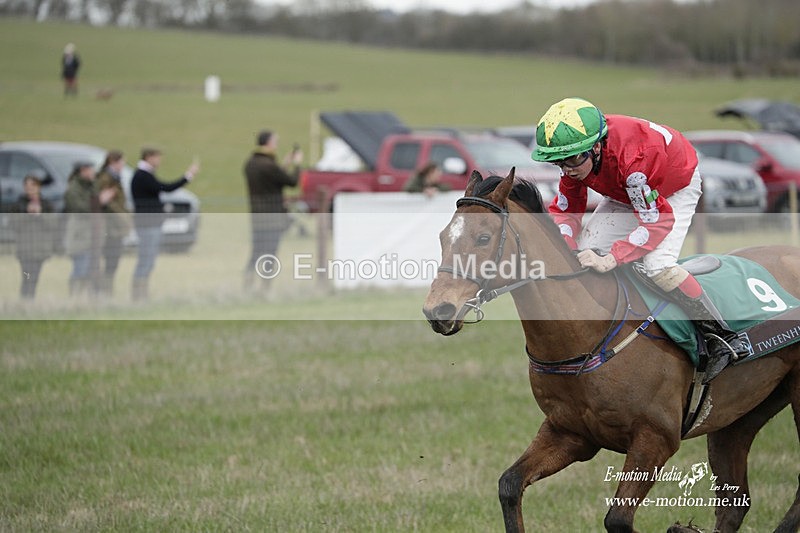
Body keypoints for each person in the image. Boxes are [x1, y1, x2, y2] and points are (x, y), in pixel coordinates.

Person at [531, 96, 749, 382]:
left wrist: (613, 257)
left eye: (572, 159)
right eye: (559, 162)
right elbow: (565, 211)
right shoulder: (577, 157)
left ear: (596, 147)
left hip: (671, 189)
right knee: (585, 252)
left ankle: (723, 335)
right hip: (624, 191)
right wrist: (566, 248)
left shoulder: (631, 162)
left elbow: (656, 220)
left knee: (656, 266)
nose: (568, 169)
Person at [130, 147, 199, 300]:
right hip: (147, 225)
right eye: (157, 158)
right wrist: (187, 176)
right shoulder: (143, 176)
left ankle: (142, 294)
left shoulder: (145, 175)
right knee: (146, 260)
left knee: (149, 260)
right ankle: (138, 296)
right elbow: (166, 188)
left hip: (150, 223)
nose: (159, 161)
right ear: (149, 157)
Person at [243, 130, 302, 291]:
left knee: (256, 252)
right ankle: (265, 287)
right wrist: (296, 164)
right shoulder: (269, 165)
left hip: (257, 216)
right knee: (269, 254)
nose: (276, 145)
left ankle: (247, 284)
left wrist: (283, 165)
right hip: (273, 217)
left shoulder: (251, 163)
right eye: (275, 142)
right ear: (268, 143)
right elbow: (291, 182)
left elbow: (272, 181)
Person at [63, 161, 109, 296]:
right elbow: (80, 209)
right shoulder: (73, 189)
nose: (93, 173)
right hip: (80, 236)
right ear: (82, 171)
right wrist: (100, 201)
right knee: (80, 269)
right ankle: (75, 296)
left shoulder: (91, 186)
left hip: (93, 236)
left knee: (92, 269)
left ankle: (89, 298)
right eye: (90, 170)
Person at [10, 174, 57, 299]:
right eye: (27, 186)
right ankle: (25, 302)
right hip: (24, 250)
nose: (29, 189)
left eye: (33, 186)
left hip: (40, 249)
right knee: (27, 278)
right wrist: (26, 213)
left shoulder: (47, 204)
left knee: (34, 278)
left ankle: (30, 302)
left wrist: (39, 215)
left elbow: (53, 224)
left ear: (38, 187)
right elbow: (14, 225)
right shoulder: (18, 204)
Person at [95, 150, 131, 296]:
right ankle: (104, 292)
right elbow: (107, 203)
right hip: (110, 227)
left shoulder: (114, 178)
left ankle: (107, 292)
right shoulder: (106, 179)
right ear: (113, 162)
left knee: (112, 262)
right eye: (122, 161)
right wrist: (124, 217)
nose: (123, 165)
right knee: (109, 261)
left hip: (114, 226)